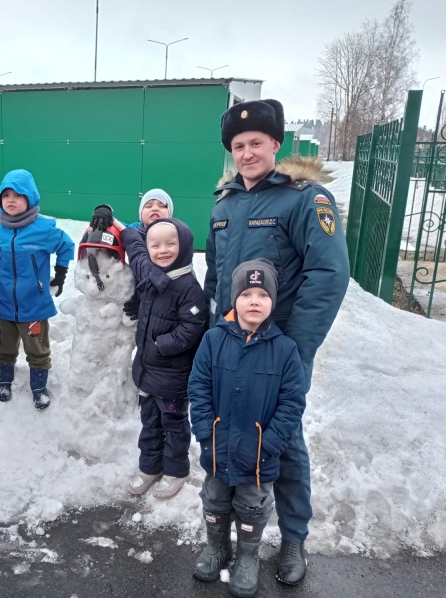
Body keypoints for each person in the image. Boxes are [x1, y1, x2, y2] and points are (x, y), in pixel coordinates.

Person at [204, 99, 350, 585]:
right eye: (238, 146)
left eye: (256, 144)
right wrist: (211, 339)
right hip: (227, 348)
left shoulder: (304, 199)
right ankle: (223, 540)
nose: (247, 153)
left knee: (283, 442)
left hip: (277, 349)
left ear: (276, 145)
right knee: (226, 436)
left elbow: (328, 274)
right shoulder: (224, 203)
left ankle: (292, 539)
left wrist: (296, 348)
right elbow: (216, 277)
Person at [188, 259, 306, 597]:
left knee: (253, 506)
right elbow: (198, 387)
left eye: (263, 295)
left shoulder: (285, 350)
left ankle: (247, 557)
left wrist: (269, 444)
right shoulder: (213, 340)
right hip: (218, 446)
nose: (254, 301)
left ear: (273, 302)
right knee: (214, 498)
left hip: (259, 457)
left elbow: (292, 402)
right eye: (247, 294)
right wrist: (205, 432)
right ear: (234, 299)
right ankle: (217, 548)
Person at [112, 216, 207, 499]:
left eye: (170, 243)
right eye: (155, 245)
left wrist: (161, 345)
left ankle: (177, 471)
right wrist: (118, 225)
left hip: (173, 377)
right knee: (149, 423)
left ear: (185, 245)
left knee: (174, 426)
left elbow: (194, 325)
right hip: (148, 373)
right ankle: (149, 467)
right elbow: (135, 250)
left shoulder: (188, 286)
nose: (161, 249)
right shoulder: (150, 272)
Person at [0, 169, 74, 410]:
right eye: (6, 195)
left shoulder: (43, 229)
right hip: (4, 303)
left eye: (18, 195)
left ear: (31, 198)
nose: (11, 200)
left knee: (37, 347)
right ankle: (3, 381)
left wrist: (61, 274)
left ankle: (39, 387)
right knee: (5, 346)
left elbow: (66, 246)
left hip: (34, 304)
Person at [90, 189, 174, 319]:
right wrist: (104, 210)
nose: (155, 209)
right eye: (148, 205)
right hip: (132, 301)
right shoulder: (133, 230)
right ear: (141, 213)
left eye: (161, 205)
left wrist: (148, 303)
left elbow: (179, 279)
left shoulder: (177, 237)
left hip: (163, 308)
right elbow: (113, 226)